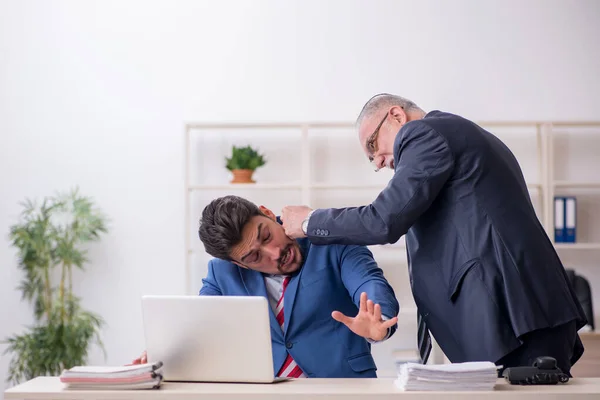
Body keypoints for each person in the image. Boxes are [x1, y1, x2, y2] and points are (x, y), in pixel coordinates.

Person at [280, 93, 587, 376]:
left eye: (373, 146)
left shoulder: (425, 133)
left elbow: (383, 220)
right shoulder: (459, 134)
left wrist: (309, 222)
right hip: (521, 313)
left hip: (514, 316)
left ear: (397, 116)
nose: (378, 162)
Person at [132, 195, 400, 378]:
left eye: (266, 235)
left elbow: (369, 281)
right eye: (254, 256)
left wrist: (378, 320)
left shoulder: (332, 240)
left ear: (269, 214)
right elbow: (201, 329)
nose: (274, 253)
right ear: (240, 265)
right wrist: (162, 355)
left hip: (342, 388)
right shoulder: (221, 274)